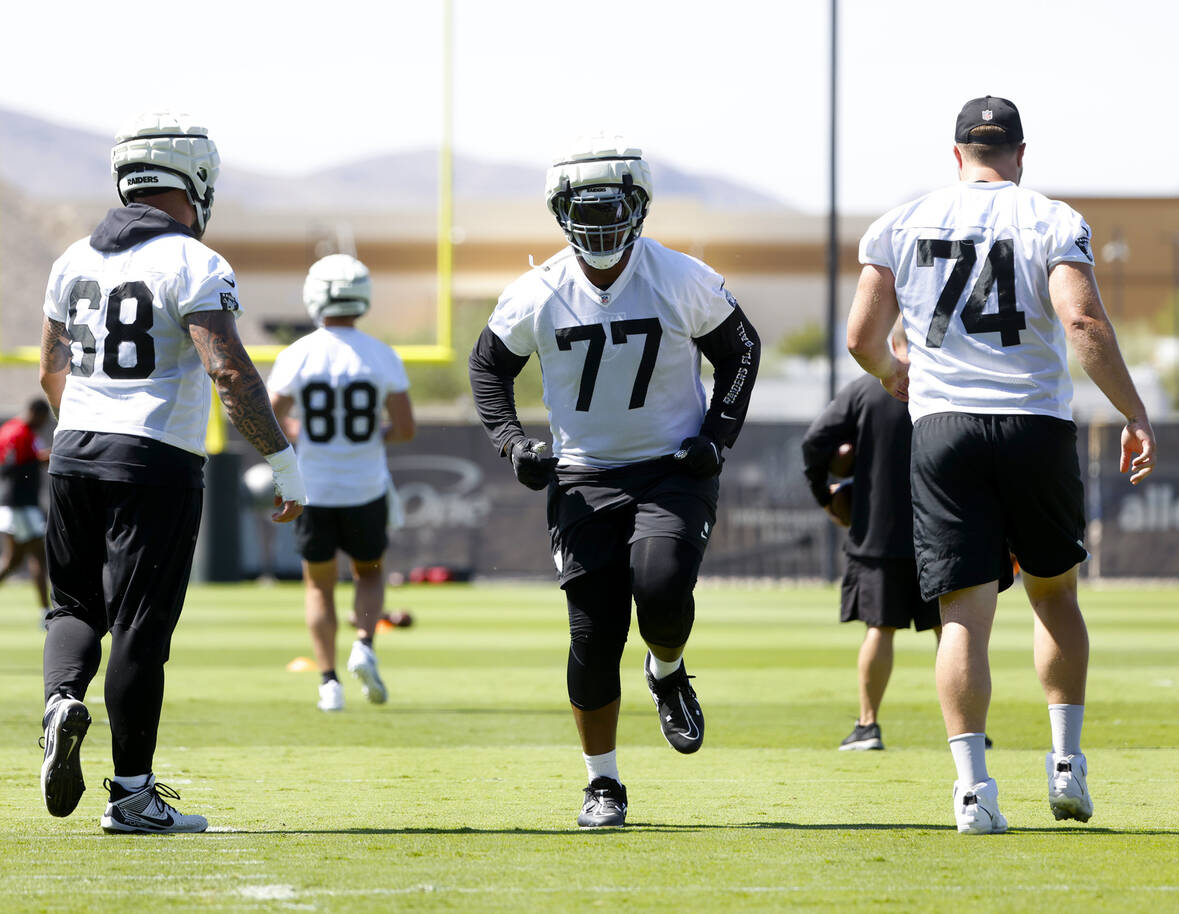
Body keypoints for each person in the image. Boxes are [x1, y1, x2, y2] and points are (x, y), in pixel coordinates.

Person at [846, 96, 1156, 834]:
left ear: (956, 156)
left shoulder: (900, 223)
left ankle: (973, 793)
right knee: (1054, 596)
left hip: (945, 428)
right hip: (1034, 425)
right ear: (1020, 154)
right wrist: (1133, 411)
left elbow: (862, 335)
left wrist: (895, 374)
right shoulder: (1050, 217)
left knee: (963, 618)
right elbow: (1080, 321)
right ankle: (1065, 765)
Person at [468, 135, 760, 829]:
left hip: (670, 469)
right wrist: (512, 443)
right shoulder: (536, 292)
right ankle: (603, 784)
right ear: (559, 213)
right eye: (584, 211)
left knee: (660, 591)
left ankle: (667, 669)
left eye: (612, 209)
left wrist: (716, 439)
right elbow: (488, 369)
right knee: (593, 637)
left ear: (640, 207)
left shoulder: (681, 276)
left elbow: (740, 351)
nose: (599, 226)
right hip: (584, 477)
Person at [38, 112, 306, 834]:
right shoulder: (192, 262)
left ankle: (61, 699)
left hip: (74, 452)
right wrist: (283, 460)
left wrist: (87, 427)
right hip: (152, 457)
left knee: (72, 607)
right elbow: (227, 370)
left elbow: (50, 372)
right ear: (196, 181)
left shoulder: (72, 260)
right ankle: (130, 797)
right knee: (138, 625)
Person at [268, 254, 416, 712]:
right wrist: (377, 434)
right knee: (369, 573)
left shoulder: (299, 353)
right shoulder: (380, 353)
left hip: (313, 488)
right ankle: (364, 644)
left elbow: (269, 411)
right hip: (365, 486)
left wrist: (296, 433)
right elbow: (406, 427)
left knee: (318, 586)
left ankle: (328, 683)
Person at [802, 326, 942, 751]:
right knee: (952, 631)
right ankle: (969, 730)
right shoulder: (946, 387)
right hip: (942, 531)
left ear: (890, 344)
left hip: (878, 533)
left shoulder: (865, 389)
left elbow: (815, 443)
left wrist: (823, 495)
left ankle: (868, 726)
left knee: (879, 630)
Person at [0, 398, 53, 626]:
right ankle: (45, 614)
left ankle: (44, 612)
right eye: (43, 418)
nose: (43, 423)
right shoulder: (18, 432)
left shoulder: (16, 430)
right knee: (38, 556)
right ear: (35, 413)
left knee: (13, 560)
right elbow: (10, 467)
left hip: (17, 505)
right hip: (20, 505)